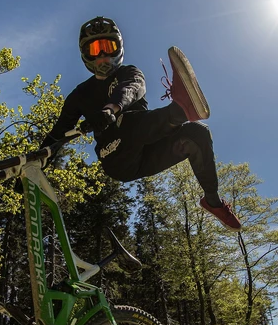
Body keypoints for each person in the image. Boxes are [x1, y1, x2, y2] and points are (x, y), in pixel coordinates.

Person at [41, 16, 242, 232]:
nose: (102, 55)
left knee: (197, 133)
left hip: (148, 150)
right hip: (117, 158)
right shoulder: (80, 94)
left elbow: (131, 88)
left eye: (108, 47)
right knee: (125, 123)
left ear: (118, 48)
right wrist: (35, 166)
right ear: (85, 55)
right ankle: (181, 110)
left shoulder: (130, 73)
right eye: (95, 50)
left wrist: (111, 108)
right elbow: (57, 133)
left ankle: (213, 202)